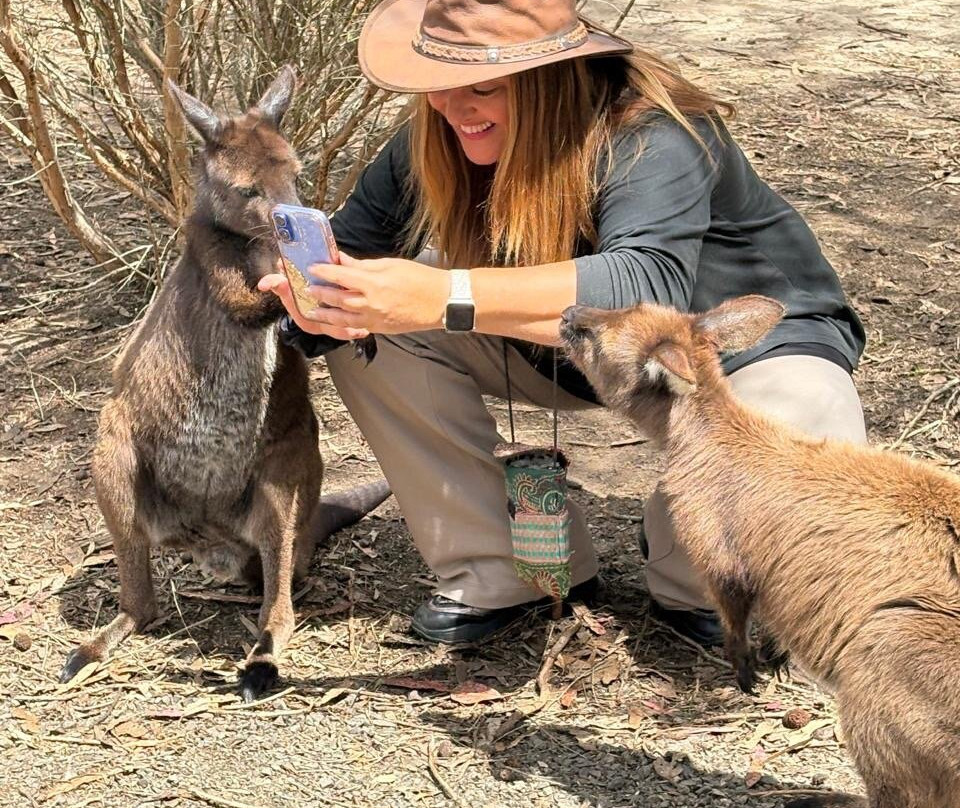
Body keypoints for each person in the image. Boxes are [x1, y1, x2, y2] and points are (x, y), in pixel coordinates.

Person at [259, 0, 867, 646]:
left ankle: (679, 555)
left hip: (732, 359)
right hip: (567, 351)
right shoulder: (437, 136)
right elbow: (356, 249)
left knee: (718, 555)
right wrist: (316, 306)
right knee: (370, 318)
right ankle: (504, 568)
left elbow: (644, 286)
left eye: (485, 87)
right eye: (439, 84)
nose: (454, 108)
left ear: (554, 77)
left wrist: (442, 294)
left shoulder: (655, 133)